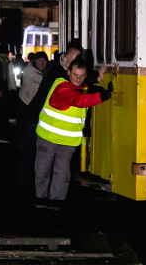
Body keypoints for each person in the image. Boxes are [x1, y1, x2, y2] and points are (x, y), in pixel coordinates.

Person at [34, 57, 113, 210]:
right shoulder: (62, 86)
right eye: (75, 75)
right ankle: (40, 200)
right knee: (43, 171)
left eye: (82, 76)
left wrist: (98, 77)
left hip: (67, 140)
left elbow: (85, 86)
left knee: (62, 173)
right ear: (68, 72)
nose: (78, 79)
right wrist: (103, 96)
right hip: (48, 137)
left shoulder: (81, 85)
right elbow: (78, 100)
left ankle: (55, 203)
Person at [16, 51, 49, 192]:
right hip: (26, 110)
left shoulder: (42, 72)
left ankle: (30, 181)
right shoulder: (29, 71)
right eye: (39, 61)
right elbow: (44, 81)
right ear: (34, 62)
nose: (42, 63)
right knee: (27, 148)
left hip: (35, 111)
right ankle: (24, 183)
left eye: (44, 61)